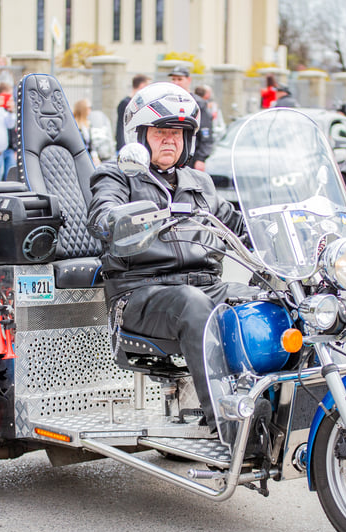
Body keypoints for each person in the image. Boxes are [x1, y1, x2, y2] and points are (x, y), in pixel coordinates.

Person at [87, 82, 258, 432]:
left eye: (178, 133)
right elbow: (102, 214)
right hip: (140, 293)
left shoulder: (200, 183)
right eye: (162, 131)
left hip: (204, 286)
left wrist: (277, 231)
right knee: (191, 304)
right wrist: (117, 221)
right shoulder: (117, 175)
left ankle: (266, 405)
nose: (170, 140)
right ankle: (228, 424)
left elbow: (237, 223)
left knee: (266, 302)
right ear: (140, 135)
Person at [168, 65, 213, 171]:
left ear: (188, 80)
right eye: (173, 79)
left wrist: (201, 158)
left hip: (191, 157)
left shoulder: (198, 103)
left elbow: (206, 132)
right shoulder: (168, 101)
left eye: (180, 79)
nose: (176, 82)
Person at [116, 74, 150, 153]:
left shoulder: (136, 104)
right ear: (142, 85)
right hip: (125, 147)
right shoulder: (126, 103)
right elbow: (122, 127)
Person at [73, 99, 99, 163]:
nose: (90, 110)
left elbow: (91, 143)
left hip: (88, 157)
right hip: (79, 157)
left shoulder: (88, 124)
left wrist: (95, 156)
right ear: (83, 109)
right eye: (89, 108)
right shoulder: (74, 124)